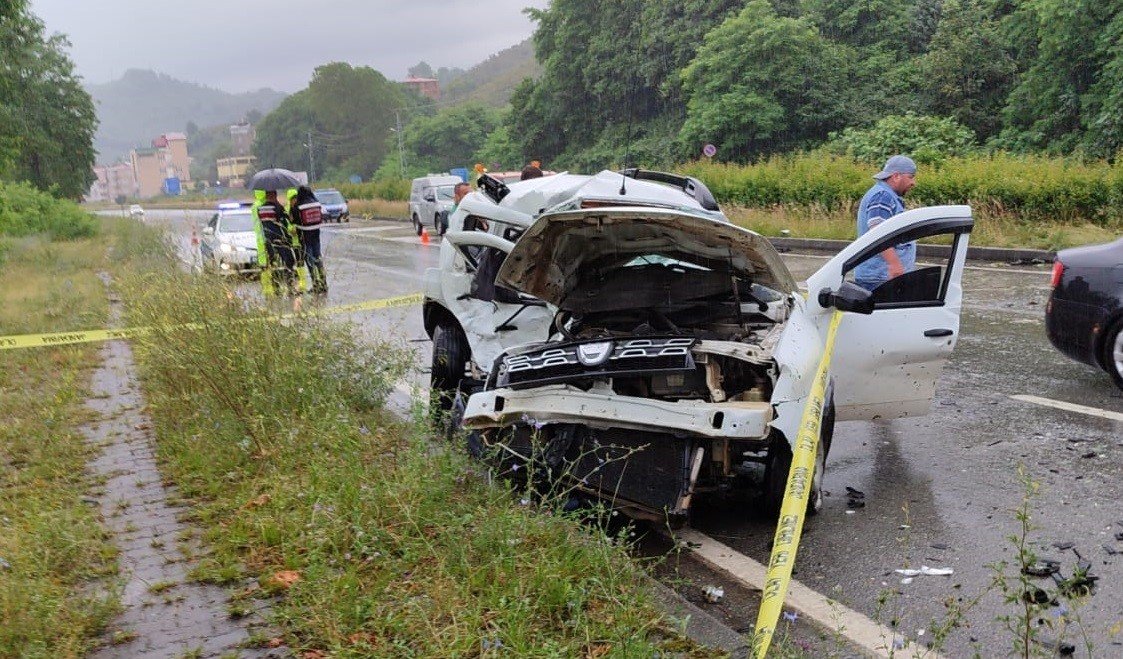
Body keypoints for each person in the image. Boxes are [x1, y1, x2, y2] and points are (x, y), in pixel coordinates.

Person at [853, 155, 917, 291]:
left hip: (883, 276)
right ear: (896, 176)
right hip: (879, 278)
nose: (913, 183)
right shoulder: (883, 196)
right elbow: (877, 231)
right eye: (911, 177)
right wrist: (894, 264)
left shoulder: (887, 195)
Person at [253, 189, 298, 296]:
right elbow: (286, 222)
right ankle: (290, 287)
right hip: (280, 239)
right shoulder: (277, 207)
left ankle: (276, 288)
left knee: (274, 263)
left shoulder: (260, 209)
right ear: (274, 195)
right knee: (289, 261)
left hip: (268, 240)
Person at [288, 186, 327, 295]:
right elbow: (321, 216)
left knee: (310, 261)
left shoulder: (298, 206)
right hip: (316, 234)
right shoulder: (316, 203)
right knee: (318, 259)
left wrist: (292, 207)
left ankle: (315, 283)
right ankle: (323, 283)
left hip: (304, 237)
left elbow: (292, 221)